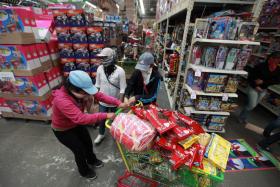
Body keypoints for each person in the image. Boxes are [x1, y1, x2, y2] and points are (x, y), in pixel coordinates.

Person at [51, 70, 128, 179]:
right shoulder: (61, 99)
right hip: (63, 130)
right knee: (79, 149)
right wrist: (106, 115)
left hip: (75, 124)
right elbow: (80, 118)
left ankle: (91, 160)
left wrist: (118, 103)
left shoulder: (81, 89)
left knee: (87, 142)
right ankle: (84, 171)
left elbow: (100, 96)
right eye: (85, 93)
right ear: (73, 89)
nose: (88, 95)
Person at [94, 48, 126, 145]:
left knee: (115, 120)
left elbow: (122, 89)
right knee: (102, 118)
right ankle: (101, 133)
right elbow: (97, 85)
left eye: (104, 58)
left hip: (115, 101)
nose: (102, 60)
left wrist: (120, 103)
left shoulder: (120, 71)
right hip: (102, 101)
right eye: (101, 58)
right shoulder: (99, 69)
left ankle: (115, 134)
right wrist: (95, 99)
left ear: (111, 58)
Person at [239, 52, 280, 124]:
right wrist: (256, 86)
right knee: (252, 104)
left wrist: (263, 81)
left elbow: (277, 80)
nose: (277, 61)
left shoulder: (278, 69)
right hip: (253, 88)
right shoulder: (261, 66)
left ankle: (244, 117)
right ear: (271, 58)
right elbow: (250, 77)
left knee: (253, 106)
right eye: (276, 59)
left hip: (263, 90)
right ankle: (241, 117)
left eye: (278, 60)